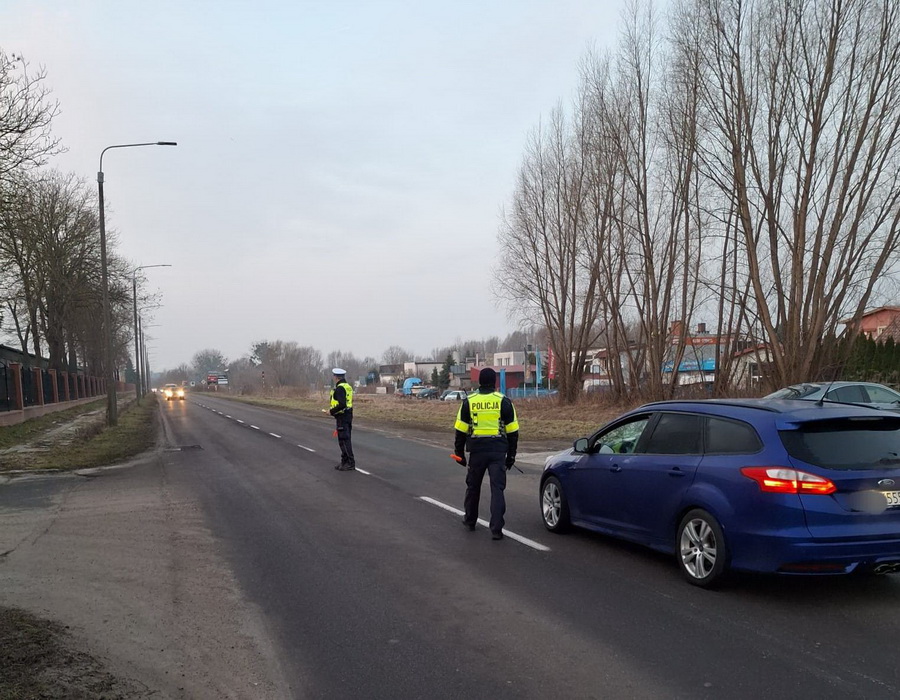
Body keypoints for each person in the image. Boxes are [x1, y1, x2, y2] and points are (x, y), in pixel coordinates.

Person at [453, 367, 519, 540]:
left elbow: (460, 430)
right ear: (494, 382)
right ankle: (496, 529)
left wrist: (459, 453)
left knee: (473, 487)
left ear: (479, 382)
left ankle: (470, 520)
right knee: (497, 489)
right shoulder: (504, 401)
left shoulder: (469, 401)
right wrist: (511, 456)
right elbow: (513, 432)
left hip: (477, 451)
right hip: (498, 451)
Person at [329, 368, 355, 471]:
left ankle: (350, 463)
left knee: (344, 440)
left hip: (342, 416)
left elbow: (342, 404)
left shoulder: (340, 388)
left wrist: (331, 411)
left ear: (336, 377)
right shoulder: (347, 386)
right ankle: (344, 461)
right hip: (348, 414)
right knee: (345, 439)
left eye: (334, 376)